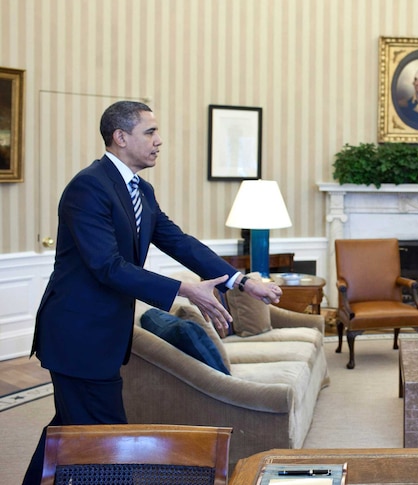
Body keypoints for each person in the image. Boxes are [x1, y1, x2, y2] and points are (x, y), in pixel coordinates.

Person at [21, 101, 283, 484]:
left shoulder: (139, 189)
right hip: (79, 338)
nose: (160, 141)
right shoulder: (88, 187)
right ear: (120, 137)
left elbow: (179, 242)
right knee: (106, 444)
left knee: (68, 432)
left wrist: (240, 282)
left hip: (101, 337)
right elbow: (106, 266)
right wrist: (184, 290)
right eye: (150, 132)